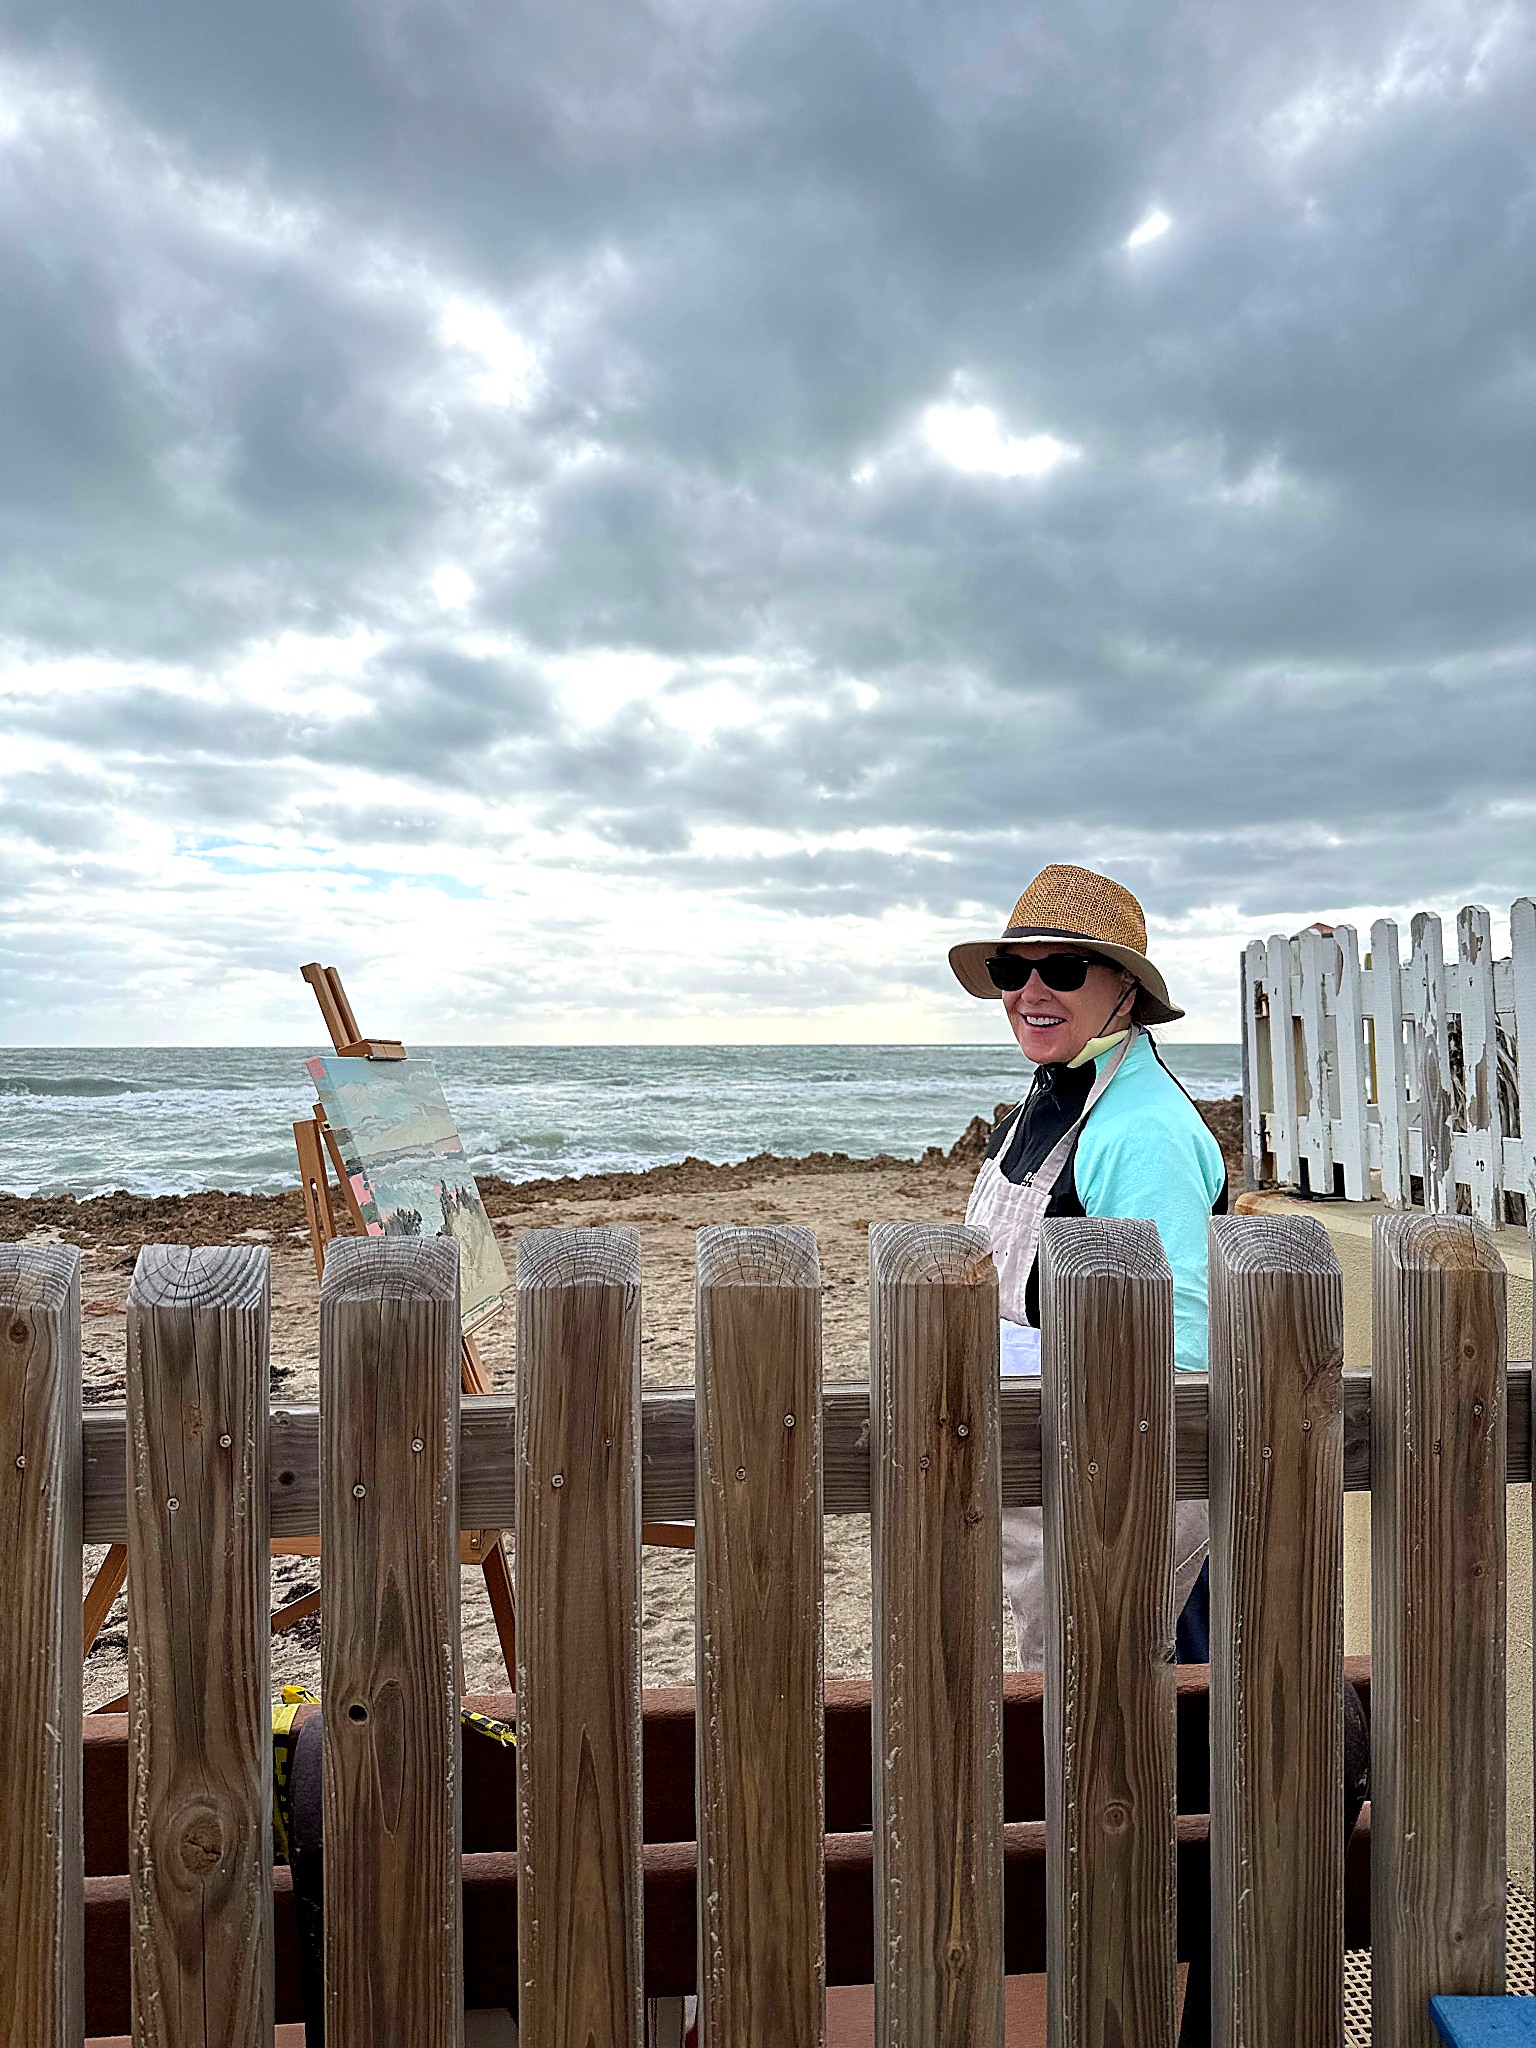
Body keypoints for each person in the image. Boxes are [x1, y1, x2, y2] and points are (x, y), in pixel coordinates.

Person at [947, 863, 1228, 1666]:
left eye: (1064, 970)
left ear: (1126, 993)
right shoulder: (1043, 1099)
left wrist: (1113, 1502)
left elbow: (1179, 1352)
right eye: (1012, 970)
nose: (1030, 992)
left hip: (1116, 1477)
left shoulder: (1143, 1131)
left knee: (1139, 1691)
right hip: (1043, 1449)